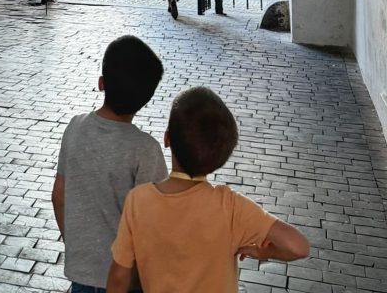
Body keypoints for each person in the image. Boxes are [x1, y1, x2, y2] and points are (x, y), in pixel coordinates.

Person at [107, 87, 309, 293]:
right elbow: (297, 247)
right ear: (221, 158)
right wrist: (262, 252)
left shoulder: (139, 200)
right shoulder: (230, 206)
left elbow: (118, 276)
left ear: (167, 139)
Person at [52, 36, 167, 293]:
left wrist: (76, 243)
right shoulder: (145, 149)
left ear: (101, 83)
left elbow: (58, 196)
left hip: (81, 273)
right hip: (127, 279)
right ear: (146, 99)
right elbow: (153, 222)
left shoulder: (75, 128)